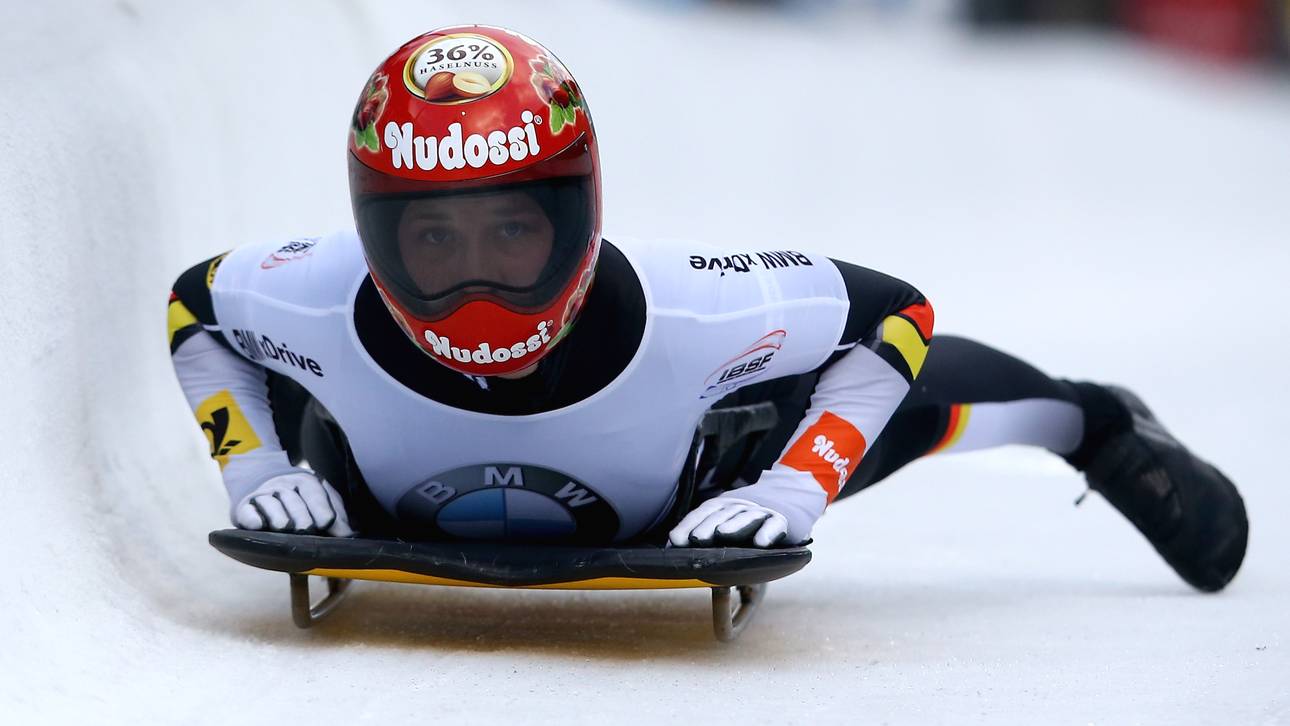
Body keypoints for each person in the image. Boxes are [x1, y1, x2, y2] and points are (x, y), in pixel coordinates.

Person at [167, 25, 1247, 592]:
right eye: (433, 240)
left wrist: (798, 480)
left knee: (922, 408)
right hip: (388, 474)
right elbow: (194, 312)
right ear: (374, 230)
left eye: (513, 232)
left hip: (704, 476)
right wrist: (257, 464)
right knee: (308, 413)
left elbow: (896, 317)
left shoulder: (699, 310)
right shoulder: (298, 290)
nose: (480, 284)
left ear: (576, 214)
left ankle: (1093, 424)